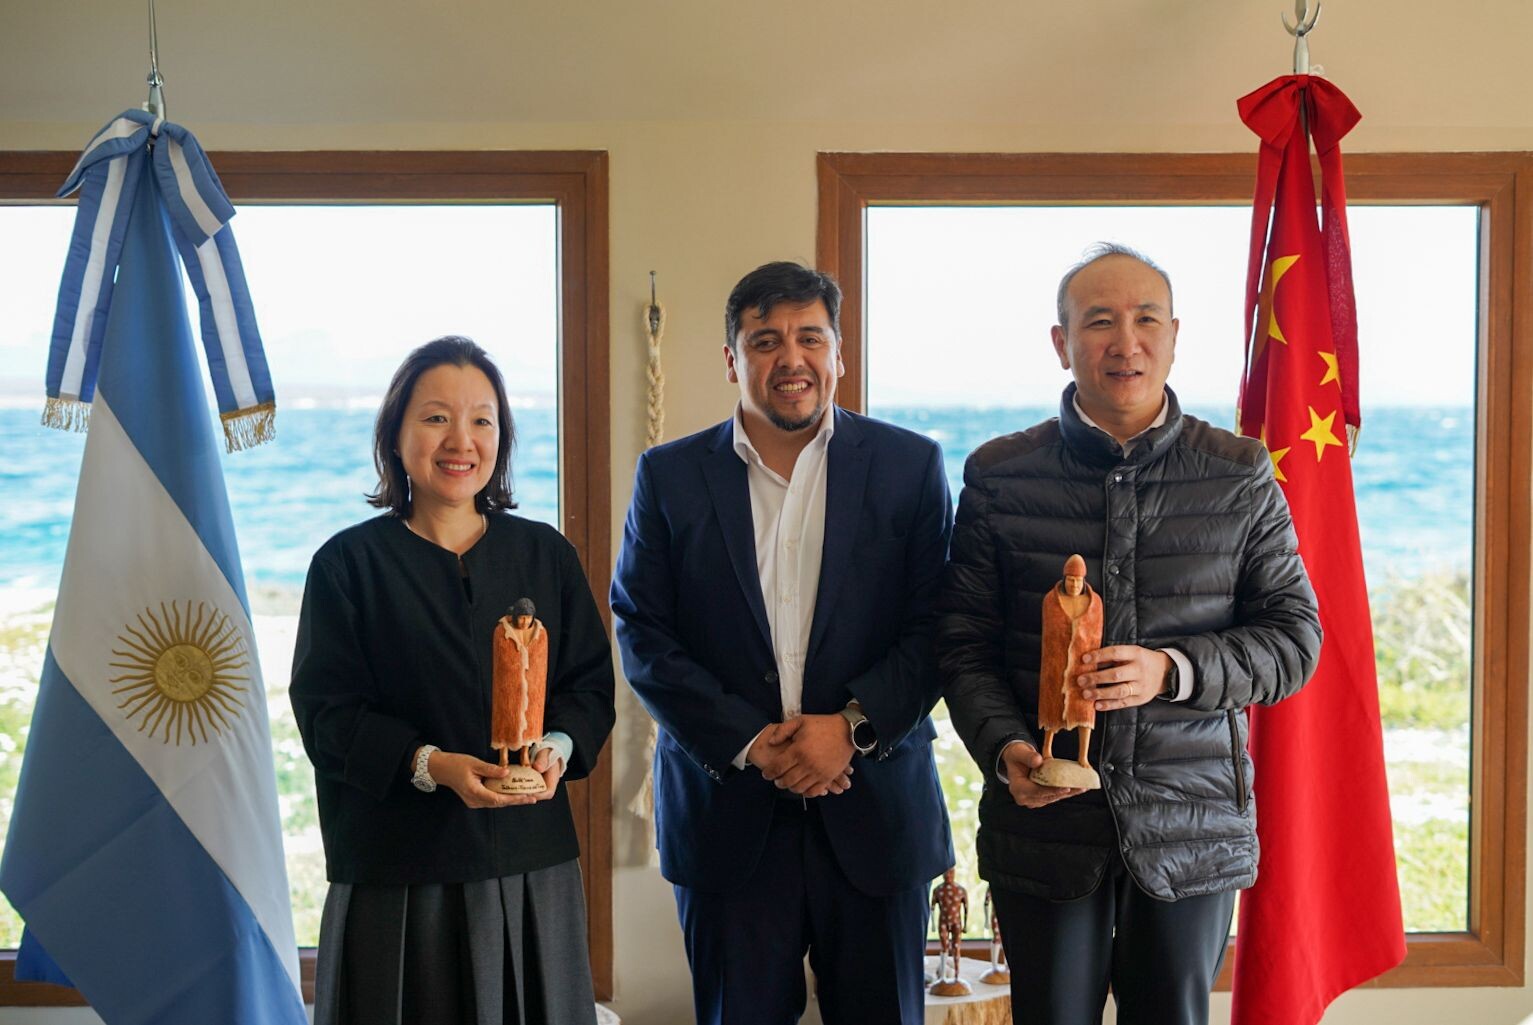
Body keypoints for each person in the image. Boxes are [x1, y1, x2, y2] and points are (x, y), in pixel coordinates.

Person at [937, 244, 1322, 1025]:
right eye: (1099, 321)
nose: (1125, 341)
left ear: (1174, 335)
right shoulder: (999, 475)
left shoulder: (1238, 472)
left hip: (1191, 822)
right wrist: (1003, 745)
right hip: (1041, 821)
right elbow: (962, 645)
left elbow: (1294, 639)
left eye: (1146, 319)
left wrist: (1171, 670)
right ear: (1061, 341)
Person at [611, 261, 954, 1025]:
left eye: (809, 336)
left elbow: (938, 624)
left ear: (839, 354)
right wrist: (751, 742)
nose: (790, 358)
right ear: (733, 359)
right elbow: (641, 627)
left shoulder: (909, 466)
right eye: (765, 340)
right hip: (726, 815)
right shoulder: (668, 476)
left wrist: (852, 727)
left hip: (876, 817)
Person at [291, 335, 615, 1025]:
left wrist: (555, 746)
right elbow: (327, 715)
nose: (460, 439)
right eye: (436, 416)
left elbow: (589, 688)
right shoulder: (347, 565)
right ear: (396, 433)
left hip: (530, 864)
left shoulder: (545, 555)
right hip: (399, 870)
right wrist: (431, 764)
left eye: (482, 419)